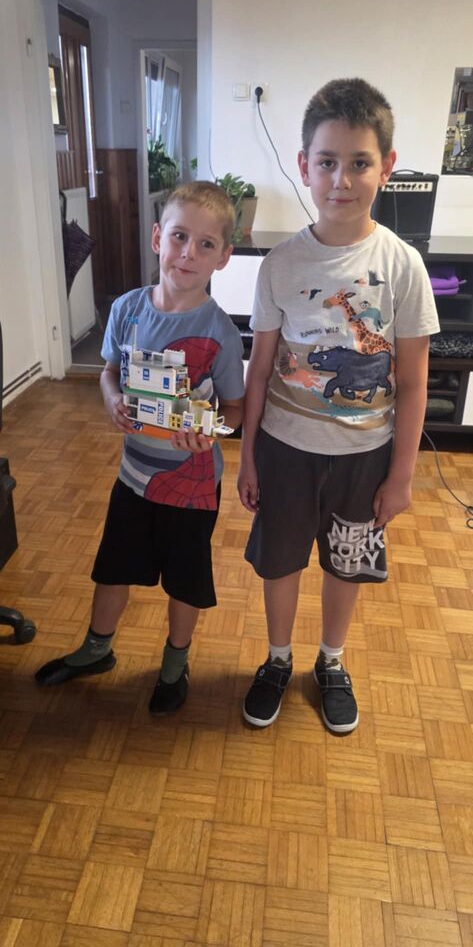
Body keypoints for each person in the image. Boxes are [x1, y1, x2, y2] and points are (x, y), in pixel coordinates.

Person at [238, 78, 439, 734]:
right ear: (304, 165)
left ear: (386, 165)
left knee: (345, 563)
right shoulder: (279, 265)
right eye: (326, 162)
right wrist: (246, 458)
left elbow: (413, 383)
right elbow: (260, 368)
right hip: (284, 451)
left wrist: (401, 477)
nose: (341, 179)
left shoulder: (403, 266)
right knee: (279, 560)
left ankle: (331, 660)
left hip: (363, 457)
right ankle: (277, 658)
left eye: (359, 162)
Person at [35, 181, 244, 714]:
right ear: (157, 238)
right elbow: (109, 371)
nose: (188, 253)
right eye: (179, 237)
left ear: (223, 257)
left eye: (205, 244)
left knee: (185, 582)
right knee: (113, 567)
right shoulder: (127, 309)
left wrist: (211, 429)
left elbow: (236, 408)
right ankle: (96, 649)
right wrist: (110, 399)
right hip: (133, 475)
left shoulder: (220, 331)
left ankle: (175, 663)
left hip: (192, 487)